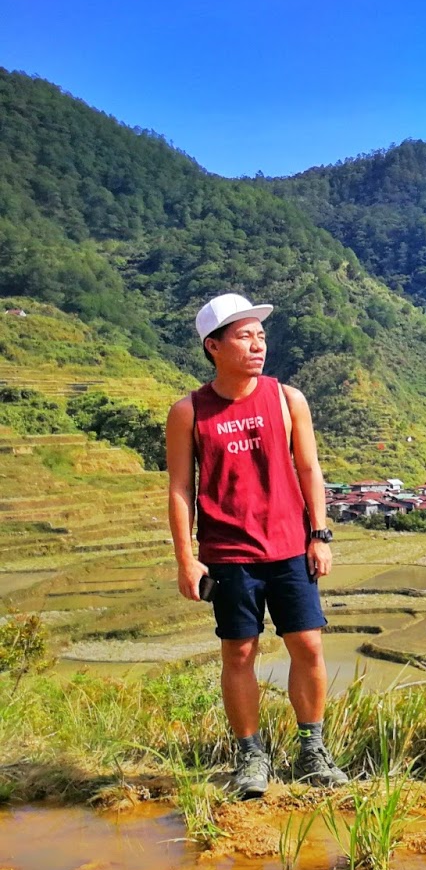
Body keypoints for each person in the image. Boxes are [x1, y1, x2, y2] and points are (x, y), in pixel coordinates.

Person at [165, 293, 349, 797]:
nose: (257, 345)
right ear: (213, 345)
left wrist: (320, 534)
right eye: (244, 336)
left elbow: (309, 469)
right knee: (240, 652)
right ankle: (251, 757)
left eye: (261, 336)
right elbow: (180, 488)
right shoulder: (189, 411)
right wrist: (186, 556)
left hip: (290, 546)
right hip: (227, 554)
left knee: (308, 645)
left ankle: (312, 750)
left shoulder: (288, 399)